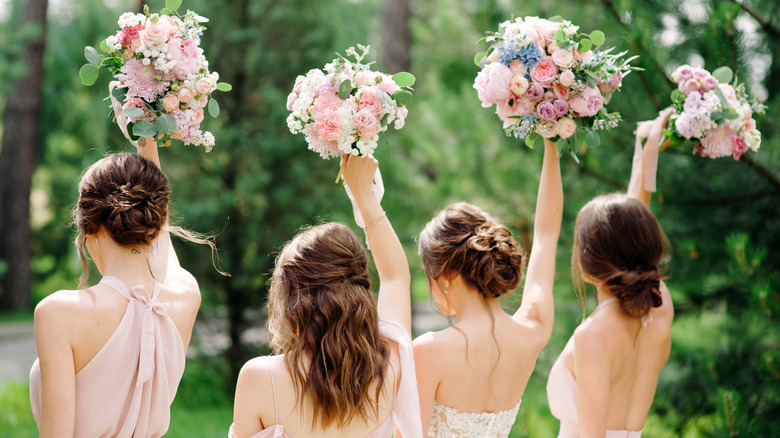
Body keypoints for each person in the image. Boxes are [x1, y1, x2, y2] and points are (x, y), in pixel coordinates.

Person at [230, 155, 422, 438]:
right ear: (360, 287)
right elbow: (396, 276)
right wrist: (364, 195)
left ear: (291, 298)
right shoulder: (392, 362)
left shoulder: (260, 378)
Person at [30, 137, 207, 438]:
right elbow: (162, 242)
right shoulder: (185, 296)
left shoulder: (58, 313)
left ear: (89, 228)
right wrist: (147, 139)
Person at [414, 139, 563, 437]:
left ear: (444, 275)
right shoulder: (534, 330)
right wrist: (552, 144)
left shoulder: (429, 351)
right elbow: (546, 234)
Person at [546, 113, 675, 438]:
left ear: (587, 260)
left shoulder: (594, 335)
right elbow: (634, 225)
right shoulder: (659, 306)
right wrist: (647, 156)